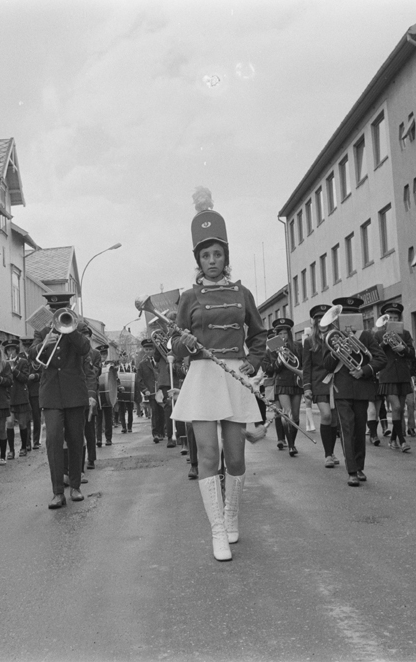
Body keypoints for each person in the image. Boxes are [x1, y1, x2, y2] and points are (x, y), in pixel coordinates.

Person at [170, 187, 266, 562]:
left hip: (234, 378)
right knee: (208, 455)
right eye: (205, 255)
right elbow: (174, 345)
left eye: (217, 254)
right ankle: (217, 532)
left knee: (237, 457)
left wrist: (253, 364)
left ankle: (231, 514)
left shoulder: (243, 293)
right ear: (198, 259)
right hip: (202, 381)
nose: (212, 260)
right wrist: (188, 344)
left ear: (226, 257)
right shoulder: (188, 298)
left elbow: (258, 336)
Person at [308, 298, 386, 487]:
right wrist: (336, 351)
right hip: (341, 388)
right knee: (347, 429)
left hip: (362, 388)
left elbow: (380, 359)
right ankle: (351, 470)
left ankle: (359, 467)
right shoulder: (333, 337)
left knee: (359, 430)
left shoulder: (366, 335)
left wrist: (364, 370)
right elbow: (326, 365)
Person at [33, 292, 93, 508]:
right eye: (54, 310)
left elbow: (85, 349)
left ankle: (75, 487)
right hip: (51, 395)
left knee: (76, 440)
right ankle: (58, 492)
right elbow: (32, 356)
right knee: (53, 440)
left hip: (74, 394)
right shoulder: (42, 332)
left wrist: (70, 330)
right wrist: (45, 344)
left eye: (62, 310)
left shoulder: (76, 328)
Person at [374, 303, 415, 453]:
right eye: (390, 317)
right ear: (385, 319)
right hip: (388, 375)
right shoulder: (379, 335)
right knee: (396, 407)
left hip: (403, 375)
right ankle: (402, 441)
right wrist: (384, 344)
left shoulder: (405, 333)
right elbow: (375, 354)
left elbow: (412, 354)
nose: (392, 319)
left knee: (400, 410)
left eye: (395, 318)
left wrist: (404, 349)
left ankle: (392, 440)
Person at [302, 304, 339, 468]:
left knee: (334, 419)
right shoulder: (310, 341)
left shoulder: (337, 336)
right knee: (326, 416)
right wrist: (307, 387)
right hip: (319, 382)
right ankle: (327, 455)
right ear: (315, 322)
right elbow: (307, 366)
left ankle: (331, 451)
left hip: (337, 381)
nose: (322, 322)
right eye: (319, 319)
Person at [263, 318, 303, 457]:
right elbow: (268, 369)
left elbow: (302, 364)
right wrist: (279, 361)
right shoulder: (272, 350)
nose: (283, 337)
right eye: (280, 334)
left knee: (296, 415)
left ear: (289, 334)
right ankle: (291, 445)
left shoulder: (297, 346)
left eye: (285, 334)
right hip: (281, 383)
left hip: (296, 382)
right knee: (287, 414)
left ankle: (293, 440)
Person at [4, 338, 32, 457]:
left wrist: (14, 370)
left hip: (20, 396)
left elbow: (25, 379)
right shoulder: (4, 363)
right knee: (9, 423)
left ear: (16, 350)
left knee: (22, 423)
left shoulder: (23, 362)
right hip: (9, 397)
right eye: (8, 350)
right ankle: (11, 450)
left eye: (13, 349)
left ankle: (23, 447)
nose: (11, 352)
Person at [82, 328, 102, 468]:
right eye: (83, 335)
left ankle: (91, 458)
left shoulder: (95, 353)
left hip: (90, 391)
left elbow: (97, 371)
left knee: (90, 429)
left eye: (87, 336)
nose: (85, 338)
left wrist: (87, 366)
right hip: (77, 392)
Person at [135, 339, 161, 442]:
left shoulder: (160, 360)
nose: (149, 351)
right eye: (146, 349)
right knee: (154, 412)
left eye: (150, 349)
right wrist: (145, 390)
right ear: (144, 350)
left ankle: (164, 431)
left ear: (154, 349)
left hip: (161, 389)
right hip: (151, 391)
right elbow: (139, 379)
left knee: (163, 411)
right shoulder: (142, 364)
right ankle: (156, 433)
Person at [22, 337, 43, 450]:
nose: (26, 348)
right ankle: (27, 442)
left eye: (28, 346)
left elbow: (42, 372)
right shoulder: (19, 357)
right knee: (25, 418)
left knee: (36, 416)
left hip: (35, 390)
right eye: (25, 346)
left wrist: (35, 376)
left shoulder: (37, 356)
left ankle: (36, 441)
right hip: (24, 390)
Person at [96, 345, 118, 448]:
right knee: (98, 418)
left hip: (108, 394)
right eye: (101, 354)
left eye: (105, 354)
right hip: (98, 395)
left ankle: (108, 439)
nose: (103, 356)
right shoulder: (95, 364)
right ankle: (98, 439)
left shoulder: (110, 367)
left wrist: (119, 386)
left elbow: (115, 379)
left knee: (108, 418)